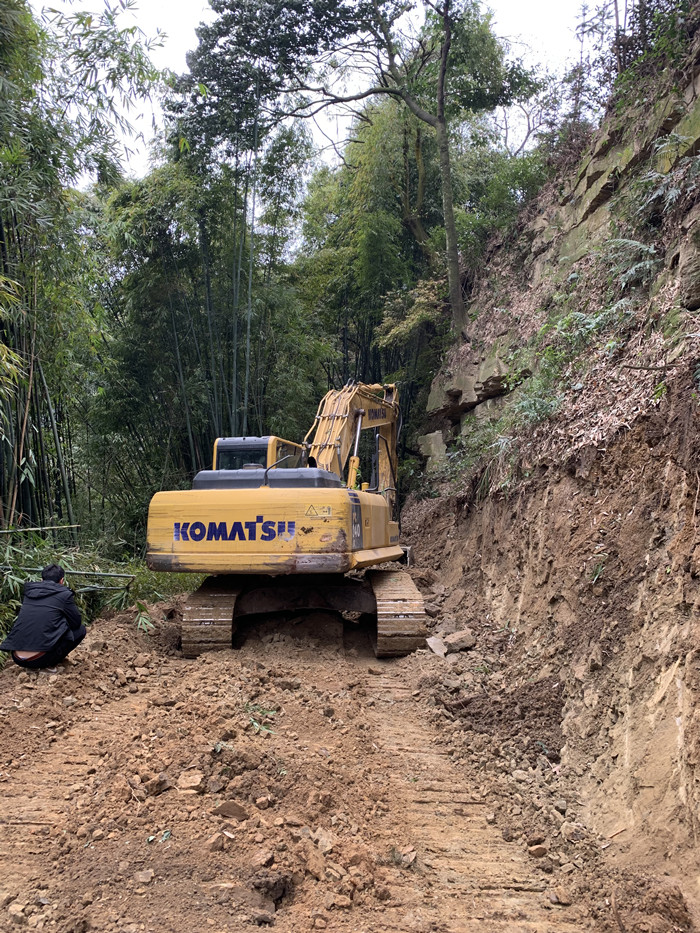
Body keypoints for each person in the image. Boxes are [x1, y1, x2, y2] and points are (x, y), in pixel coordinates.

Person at [0, 564, 86, 670]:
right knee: (80, 630)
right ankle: (50, 664)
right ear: (61, 581)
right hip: (40, 659)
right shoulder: (64, 595)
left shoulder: (29, 593)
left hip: (17, 657)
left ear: (41, 580)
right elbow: (76, 623)